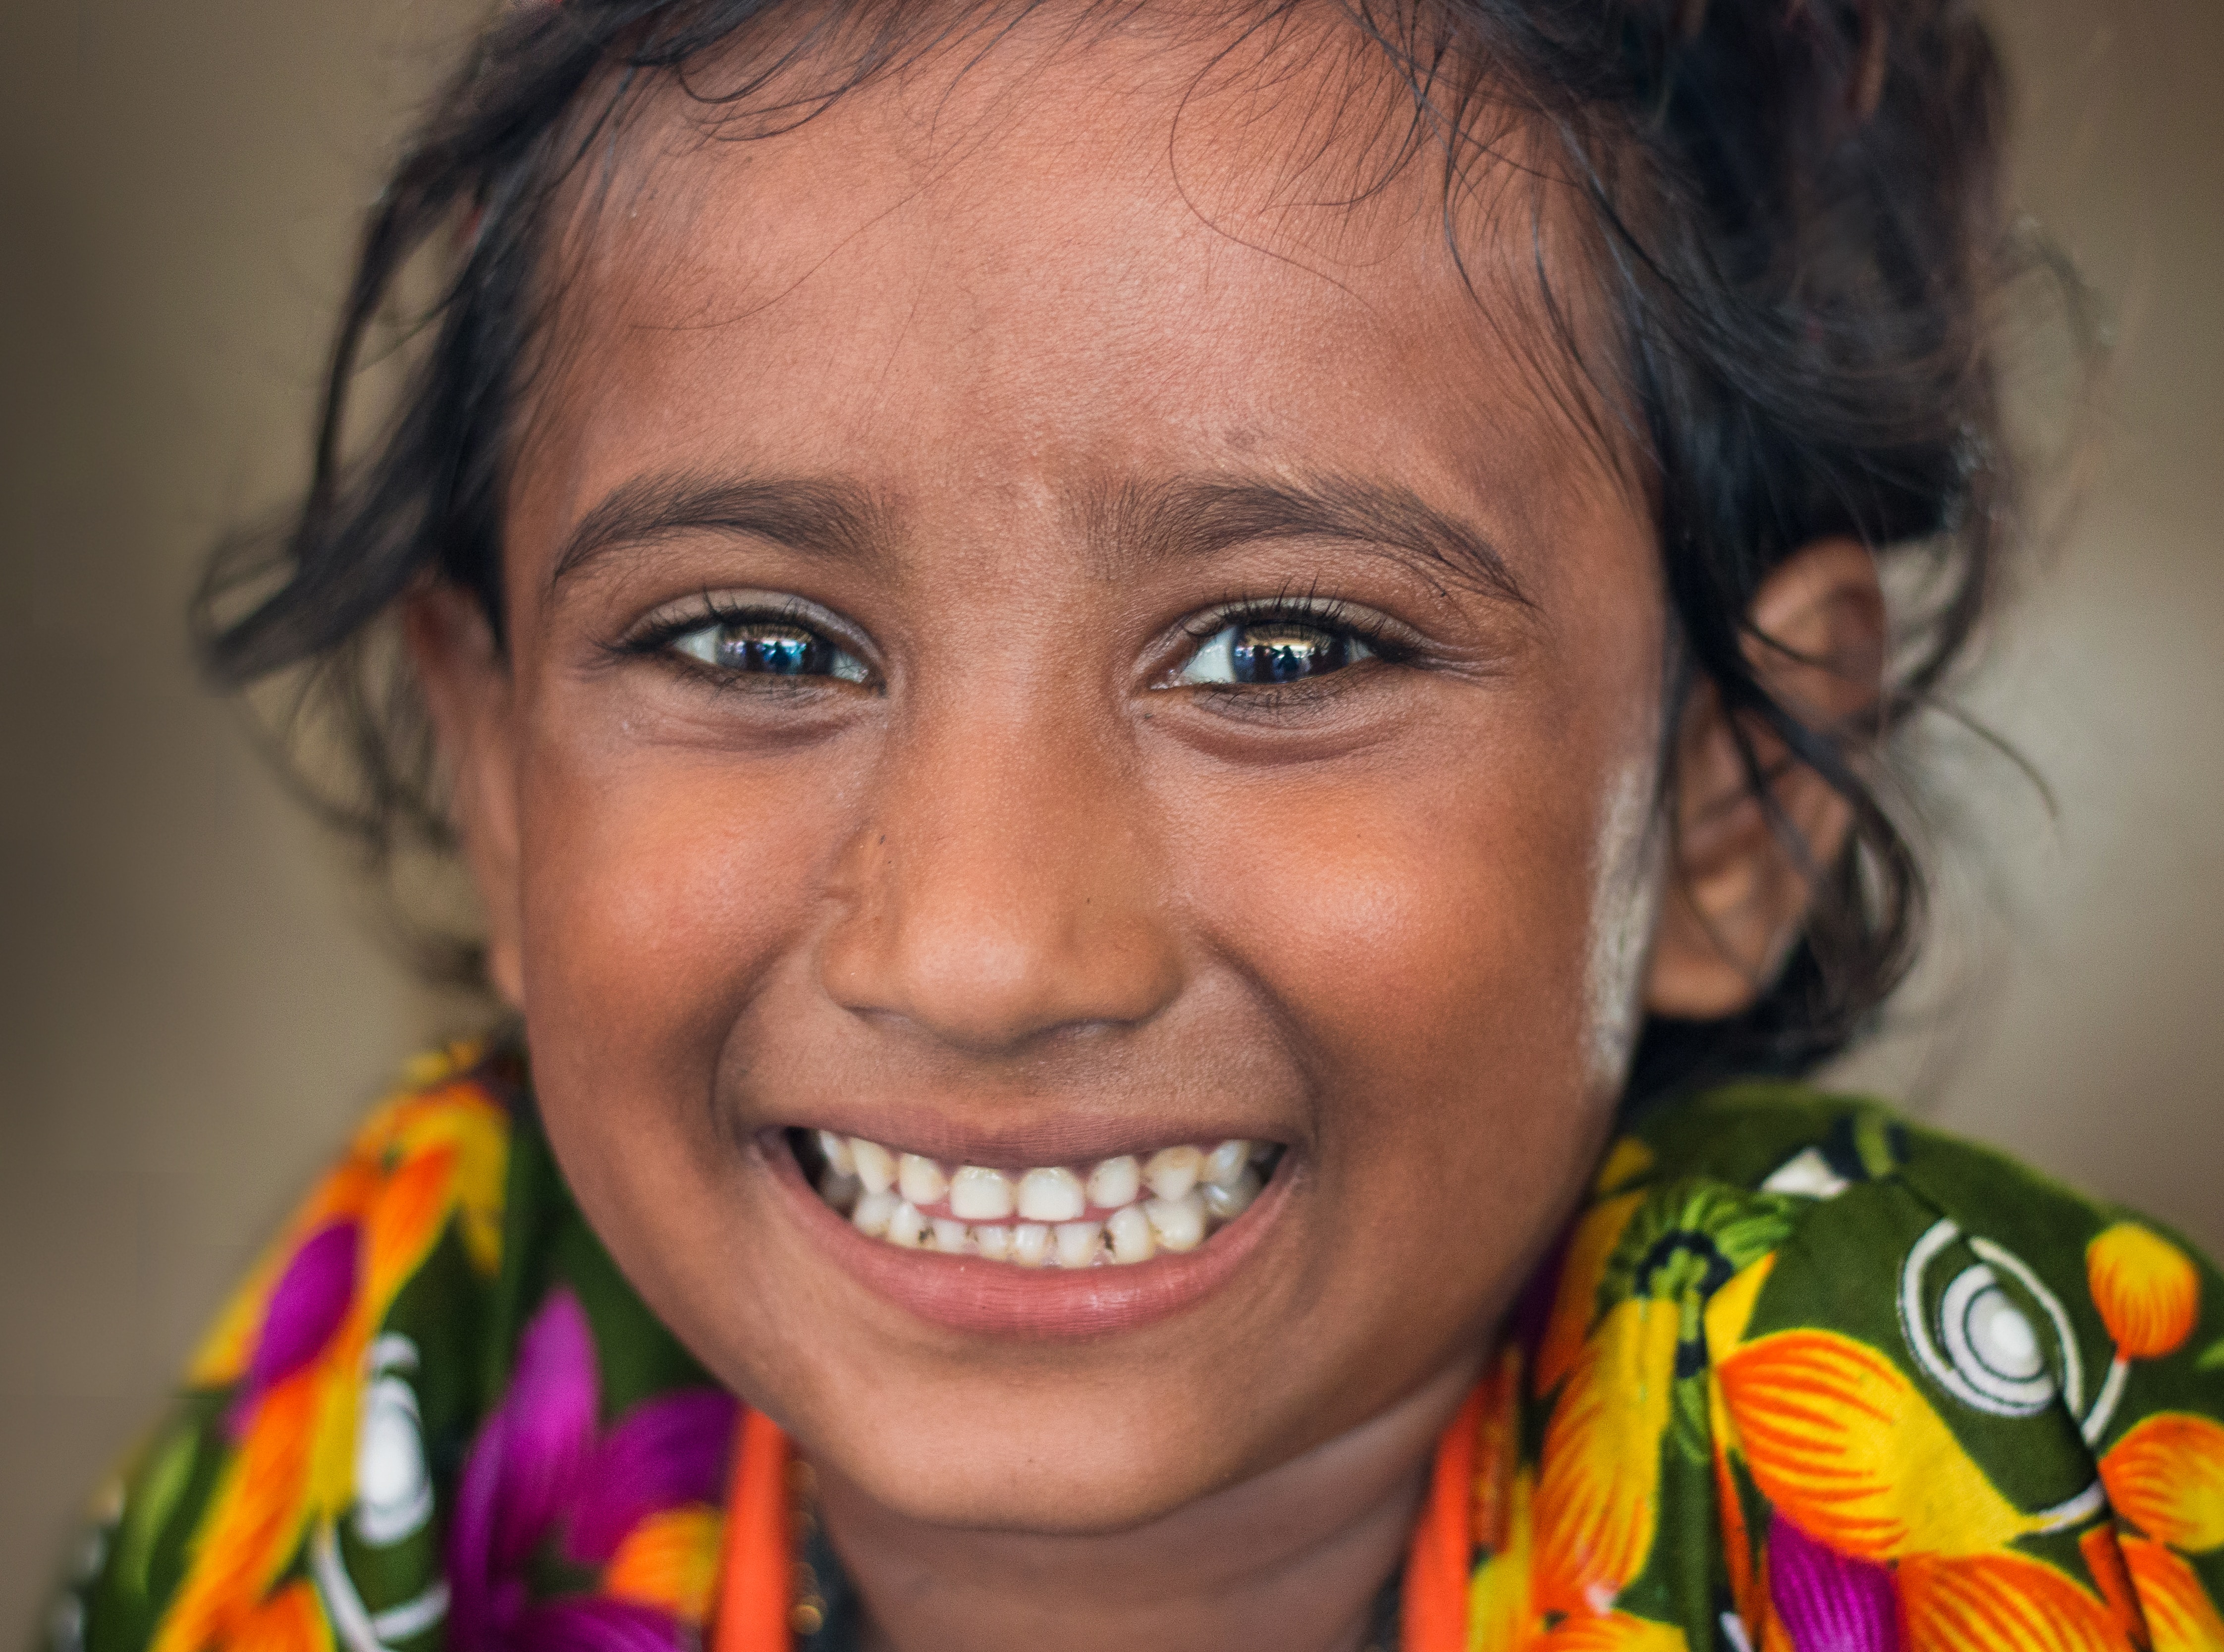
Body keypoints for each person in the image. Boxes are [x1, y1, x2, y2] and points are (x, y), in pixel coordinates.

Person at [45, 1, 2224, 1649]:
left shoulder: (1945, 1439)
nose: (982, 952)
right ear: (500, 778)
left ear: (1732, 805)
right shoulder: (438, 1344)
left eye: (1280, 653)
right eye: (758, 648)